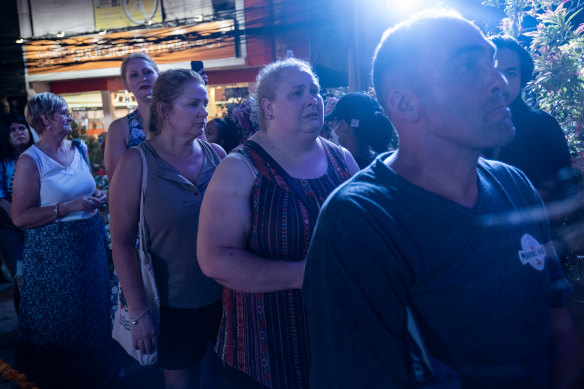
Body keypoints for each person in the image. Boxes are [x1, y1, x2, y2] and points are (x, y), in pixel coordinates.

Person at [303, 10, 577, 388]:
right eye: (468, 66)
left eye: (493, 63)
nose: (498, 81)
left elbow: (558, 325)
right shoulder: (359, 220)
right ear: (406, 104)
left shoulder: (515, 186)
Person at [197, 57, 359, 389]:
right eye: (297, 93)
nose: (312, 99)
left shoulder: (342, 160)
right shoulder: (241, 168)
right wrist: (306, 274)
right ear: (268, 107)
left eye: (314, 90)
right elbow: (215, 259)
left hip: (337, 345)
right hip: (265, 355)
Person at [110, 69, 226, 389]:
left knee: (226, 380)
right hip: (172, 304)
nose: (204, 111)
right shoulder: (137, 163)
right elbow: (120, 242)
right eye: (193, 104)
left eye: (204, 103)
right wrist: (138, 312)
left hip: (226, 297)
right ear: (163, 109)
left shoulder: (218, 156)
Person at [11, 92, 119, 389]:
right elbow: (20, 216)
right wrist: (66, 207)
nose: (70, 116)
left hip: (89, 243)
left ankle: (97, 375)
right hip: (53, 251)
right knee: (60, 319)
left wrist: (96, 198)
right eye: (63, 112)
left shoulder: (80, 148)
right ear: (45, 119)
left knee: (93, 311)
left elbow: (85, 190)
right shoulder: (30, 161)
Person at [485, 35, 574, 205]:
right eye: (493, 70)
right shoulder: (462, 125)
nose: (501, 82)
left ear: (522, 80)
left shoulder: (542, 126)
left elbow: (564, 192)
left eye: (510, 74)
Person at [105, 53, 159, 179]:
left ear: (159, 76)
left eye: (147, 72)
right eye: (134, 75)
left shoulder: (179, 117)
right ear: (126, 85)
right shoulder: (119, 128)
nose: (142, 78)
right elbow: (116, 180)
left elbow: (205, 157)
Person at [0, 114, 34, 310]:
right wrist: (18, 218)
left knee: (37, 275)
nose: (19, 132)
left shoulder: (38, 155)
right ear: (5, 135)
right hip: (8, 229)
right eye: (13, 130)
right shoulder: (2, 162)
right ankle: (28, 327)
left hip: (35, 224)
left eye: (22, 128)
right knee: (22, 276)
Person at [325, 92, 394, 169]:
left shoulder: (341, 169)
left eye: (334, 120)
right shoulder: (387, 162)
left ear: (343, 124)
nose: (332, 127)